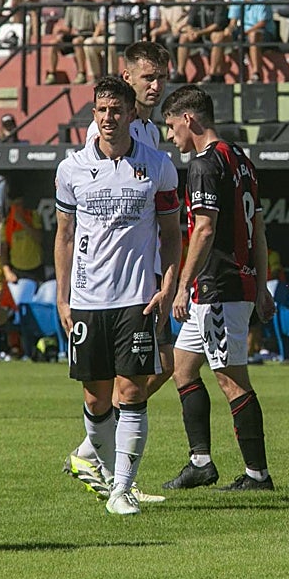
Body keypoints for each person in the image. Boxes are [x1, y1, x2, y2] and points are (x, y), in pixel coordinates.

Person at [54, 77, 182, 515]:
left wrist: (169, 285)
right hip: (88, 298)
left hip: (137, 297)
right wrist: (62, 295)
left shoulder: (158, 165)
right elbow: (65, 235)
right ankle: (110, 477)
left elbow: (170, 233)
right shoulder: (71, 169)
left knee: (131, 392)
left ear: (131, 114)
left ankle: (122, 489)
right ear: (94, 114)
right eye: (101, 110)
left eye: (116, 110)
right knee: (96, 397)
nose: (108, 118)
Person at [159, 86, 277, 492]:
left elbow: (204, 229)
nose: (171, 137)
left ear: (190, 119)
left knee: (231, 378)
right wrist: (262, 286)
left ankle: (258, 475)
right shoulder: (239, 158)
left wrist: (181, 285)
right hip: (225, 287)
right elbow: (258, 228)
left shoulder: (205, 164)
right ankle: (201, 462)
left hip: (219, 287)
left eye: (172, 126)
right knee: (183, 366)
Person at [225, 0, 275, 83]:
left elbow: (262, 23)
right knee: (220, 37)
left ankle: (256, 73)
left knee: (254, 35)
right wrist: (229, 30)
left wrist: (245, 33)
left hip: (263, 33)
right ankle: (215, 74)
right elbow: (233, 20)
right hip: (244, 32)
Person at [0, 186, 46, 285]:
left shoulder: (33, 216)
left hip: (35, 268)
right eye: (14, 205)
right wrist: (7, 271)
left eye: (19, 204)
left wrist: (23, 222)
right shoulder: (7, 223)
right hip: (16, 271)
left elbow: (40, 238)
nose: (17, 208)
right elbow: (4, 249)